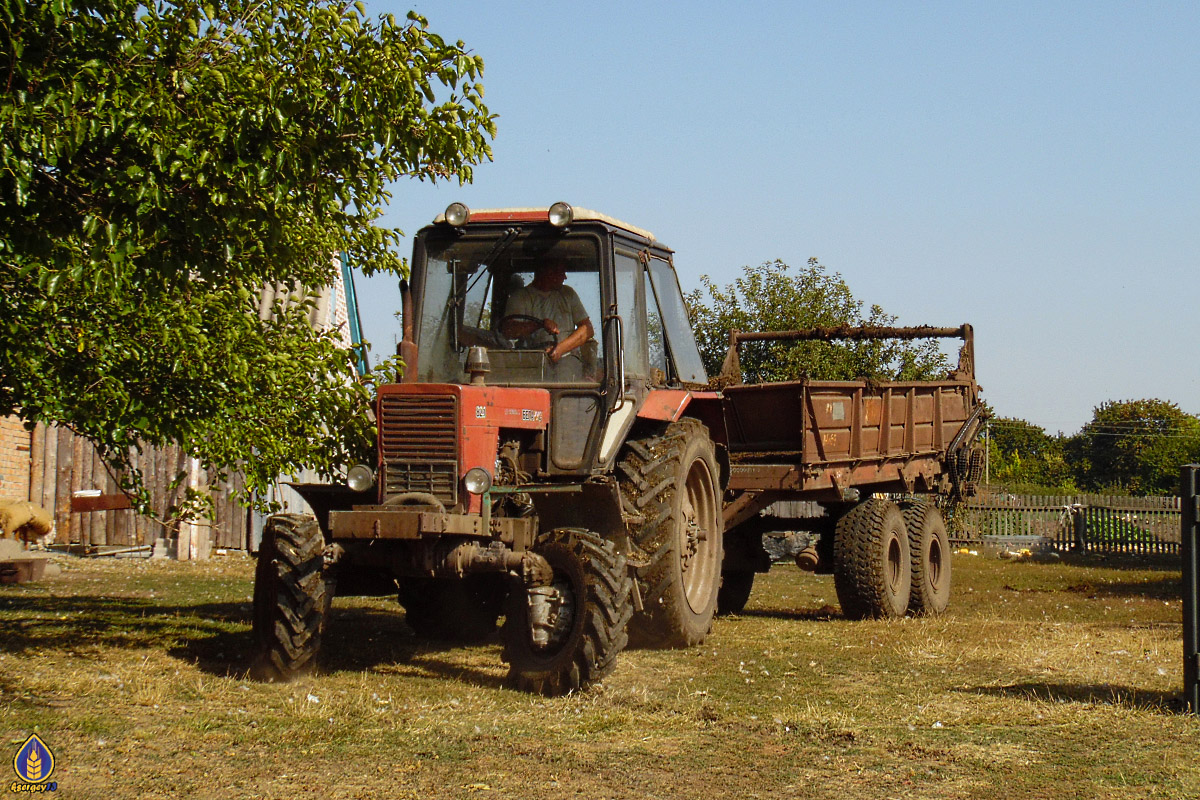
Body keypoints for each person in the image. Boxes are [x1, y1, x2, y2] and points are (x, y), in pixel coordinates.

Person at [501, 259, 596, 372]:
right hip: (530, 359)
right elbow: (508, 331)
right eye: (561, 272)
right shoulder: (521, 297)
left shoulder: (568, 294)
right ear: (548, 273)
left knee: (565, 373)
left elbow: (587, 329)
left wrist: (560, 349)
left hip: (567, 359)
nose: (565, 277)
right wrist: (538, 324)